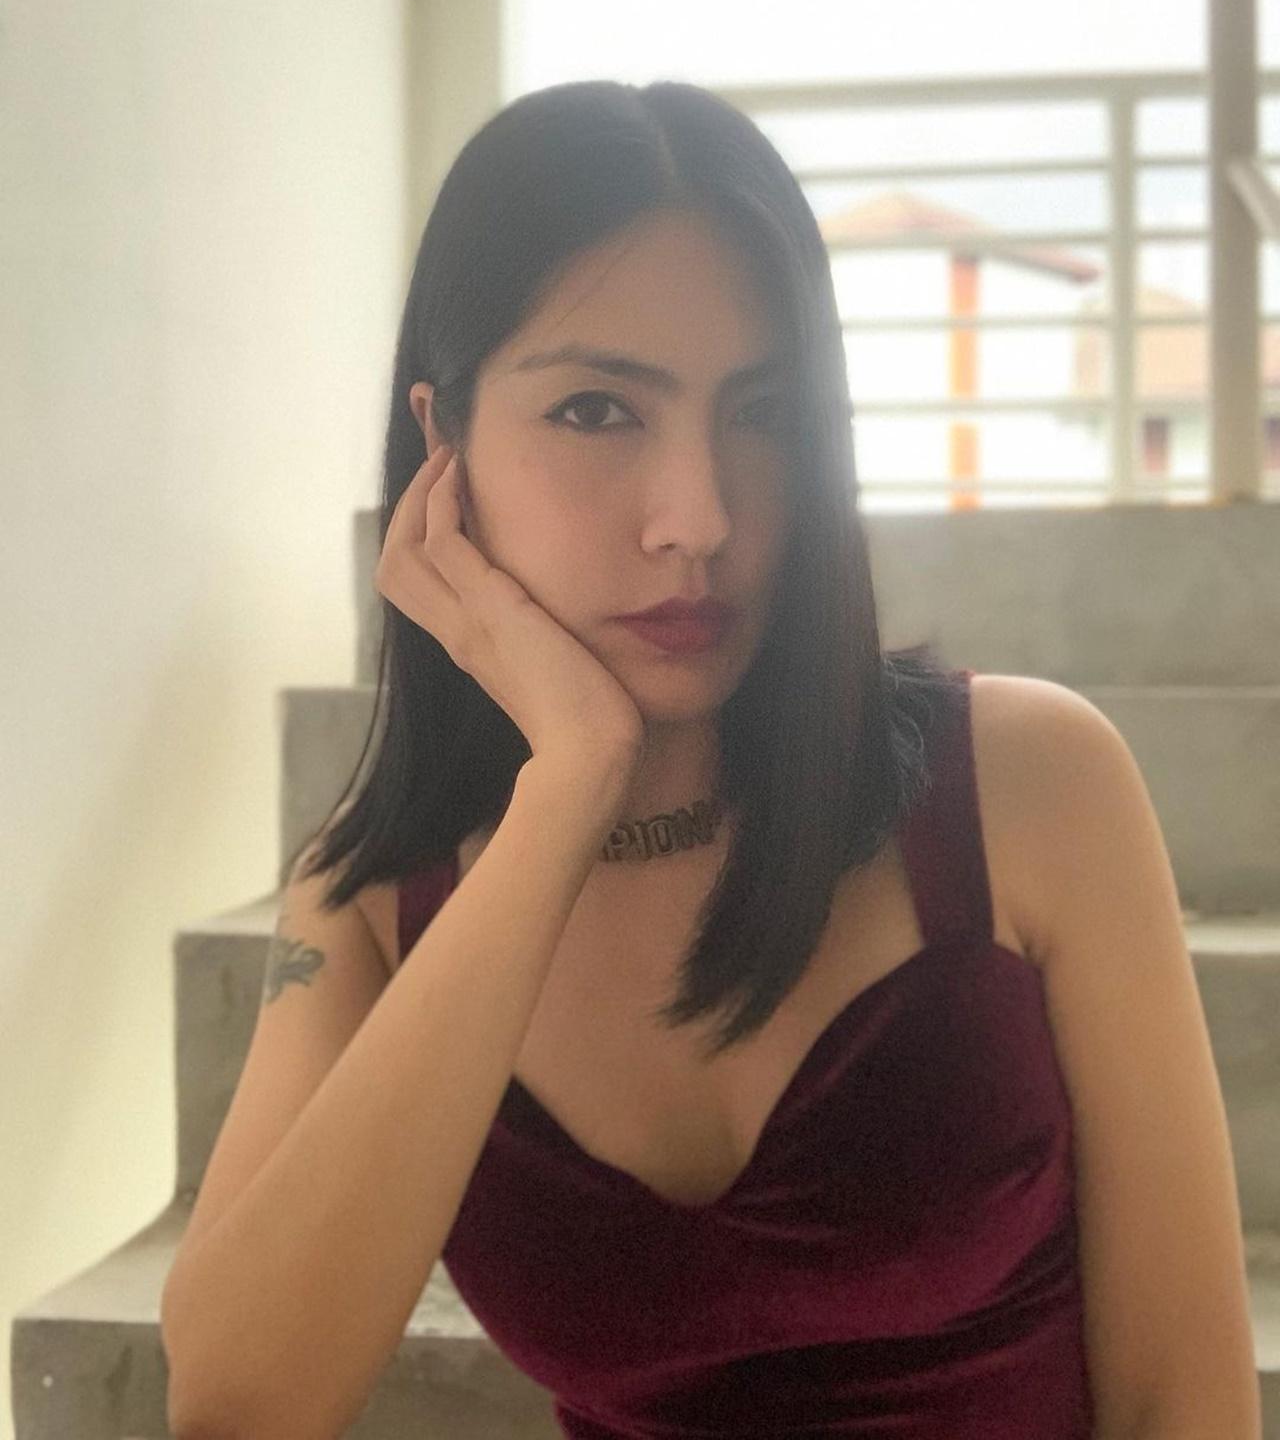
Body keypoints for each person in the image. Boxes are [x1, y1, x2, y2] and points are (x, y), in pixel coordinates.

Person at [162, 79, 1094, 1439]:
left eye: (764, 414)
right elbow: (239, 1401)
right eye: (598, 410)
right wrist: (565, 794)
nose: (697, 519)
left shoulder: (1023, 783)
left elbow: (1183, 1398)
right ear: (443, 444)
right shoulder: (371, 902)